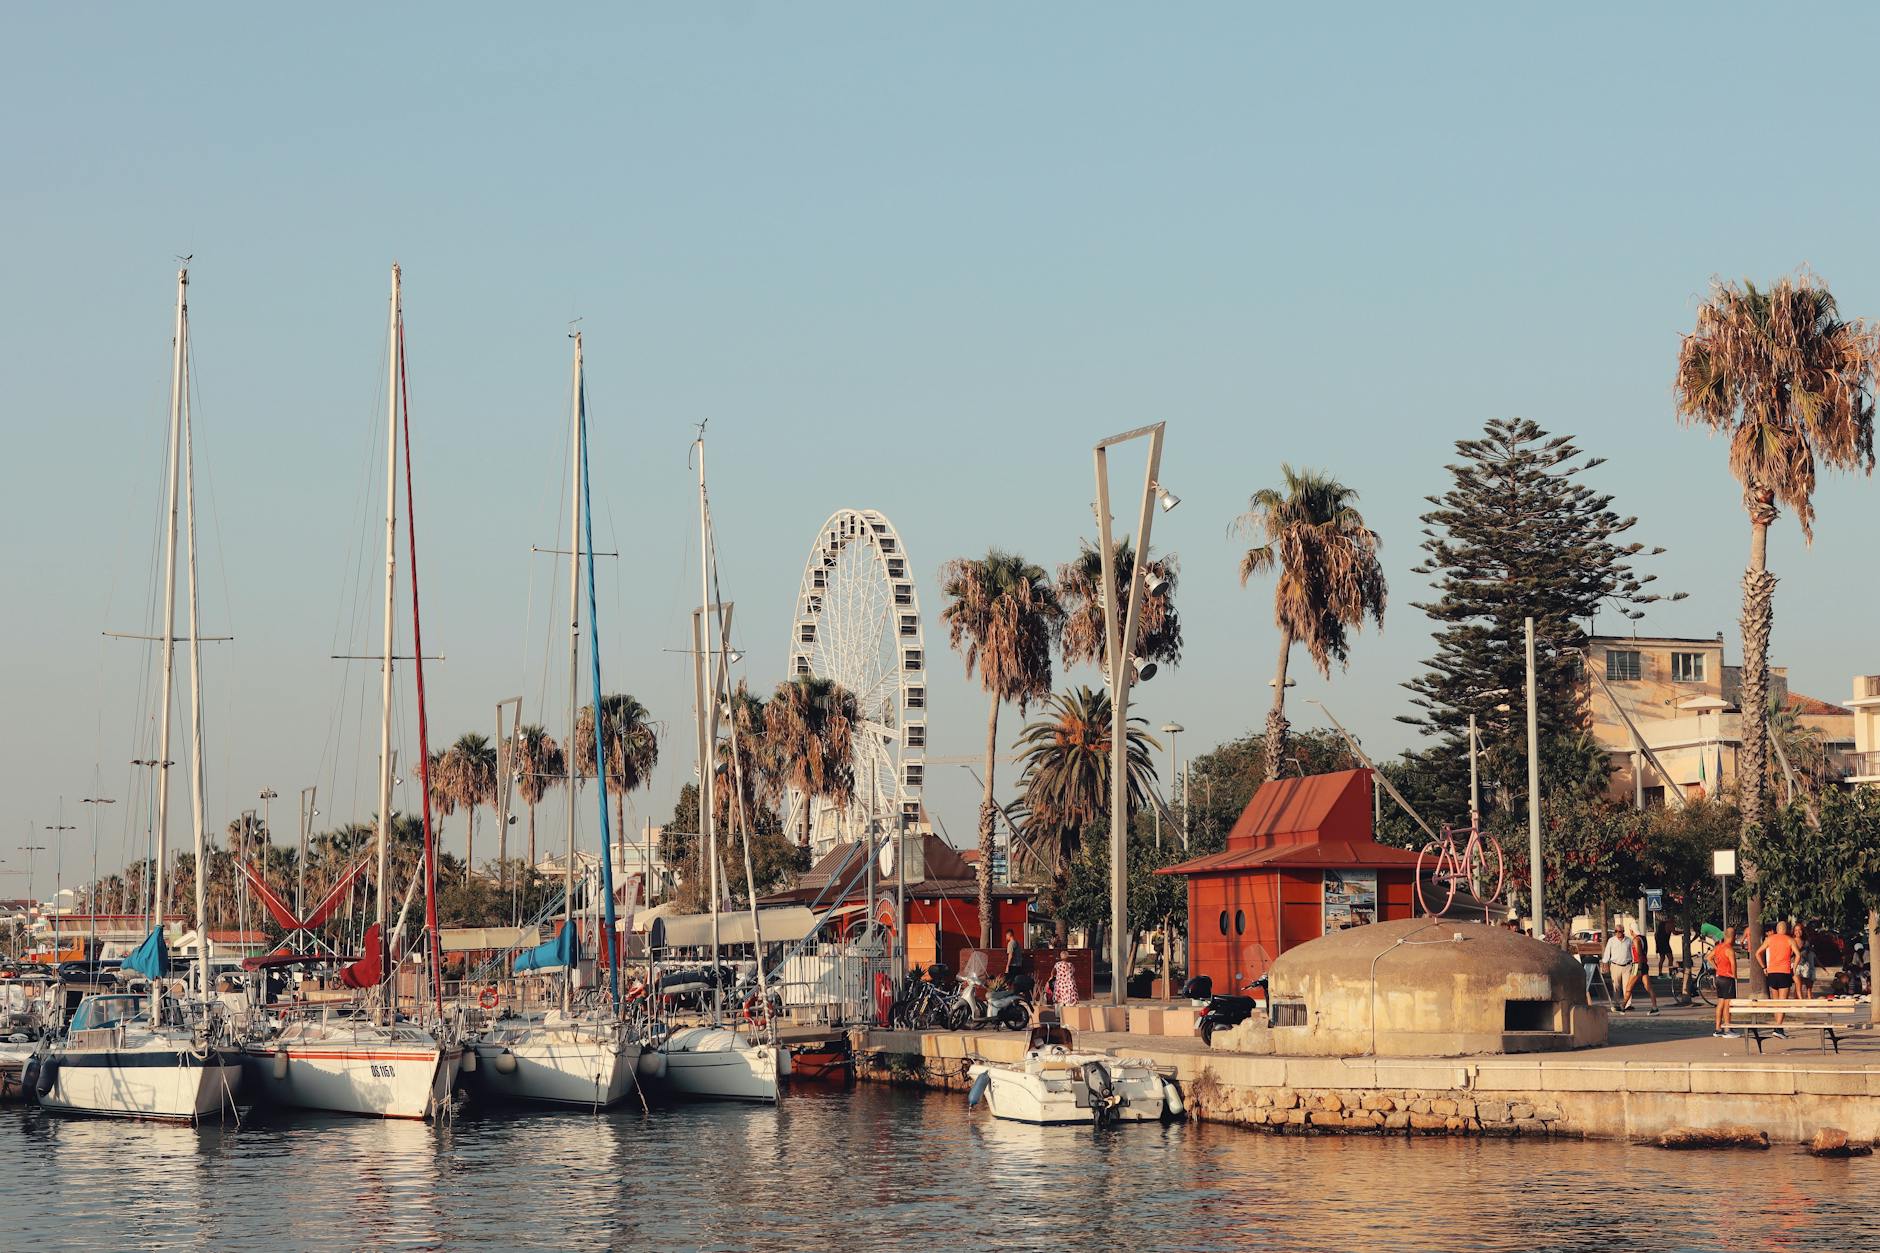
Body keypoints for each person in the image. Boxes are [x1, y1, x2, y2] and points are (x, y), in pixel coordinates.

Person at [1756, 919, 1798, 1038]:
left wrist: (1764, 967)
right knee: (1782, 1002)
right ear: (1786, 930)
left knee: (1776, 1003)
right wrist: (1793, 967)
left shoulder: (1769, 939)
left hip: (1772, 972)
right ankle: (1778, 1028)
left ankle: (1777, 1027)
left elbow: (1757, 953)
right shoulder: (1790, 940)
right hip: (1784, 972)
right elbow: (1798, 955)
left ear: (1776, 929)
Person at [1622, 924, 1659, 1014]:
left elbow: (1639, 954)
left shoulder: (1636, 940)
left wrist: (1638, 968)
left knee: (1628, 987)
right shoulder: (1643, 938)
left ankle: (1622, 1007)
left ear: (1632, 931)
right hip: (1644, 964)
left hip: (1637, 965)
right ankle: (1655, 1008)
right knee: (1648, 987)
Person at [1712, 926, 1738, 1038]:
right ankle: (1728, 1028)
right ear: (1733, 937)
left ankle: (1718, 1028)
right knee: (1728, 1004)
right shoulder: (1729, 949)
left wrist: (1716, 968)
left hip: (1718, 978)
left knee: (1720, 1003)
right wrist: (1734, 975)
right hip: (1727, 978)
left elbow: (1708, 957)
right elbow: (1733, 964)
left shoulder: (1718, 947)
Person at [1601, 927, 1633, 1011]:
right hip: (1615, 966)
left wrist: (1634, 963)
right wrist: (1604, 963)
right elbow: (1607, 952)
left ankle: (1627, 1004)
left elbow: (1632, 952)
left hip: (1627, 965)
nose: (1617, 933)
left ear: (1623, 931)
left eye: (1619, 931)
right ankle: (1616, 1004)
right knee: (1616, 986)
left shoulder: (1628, 940)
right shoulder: (1611, 940)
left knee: (1627, 986)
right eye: (1616, 931)